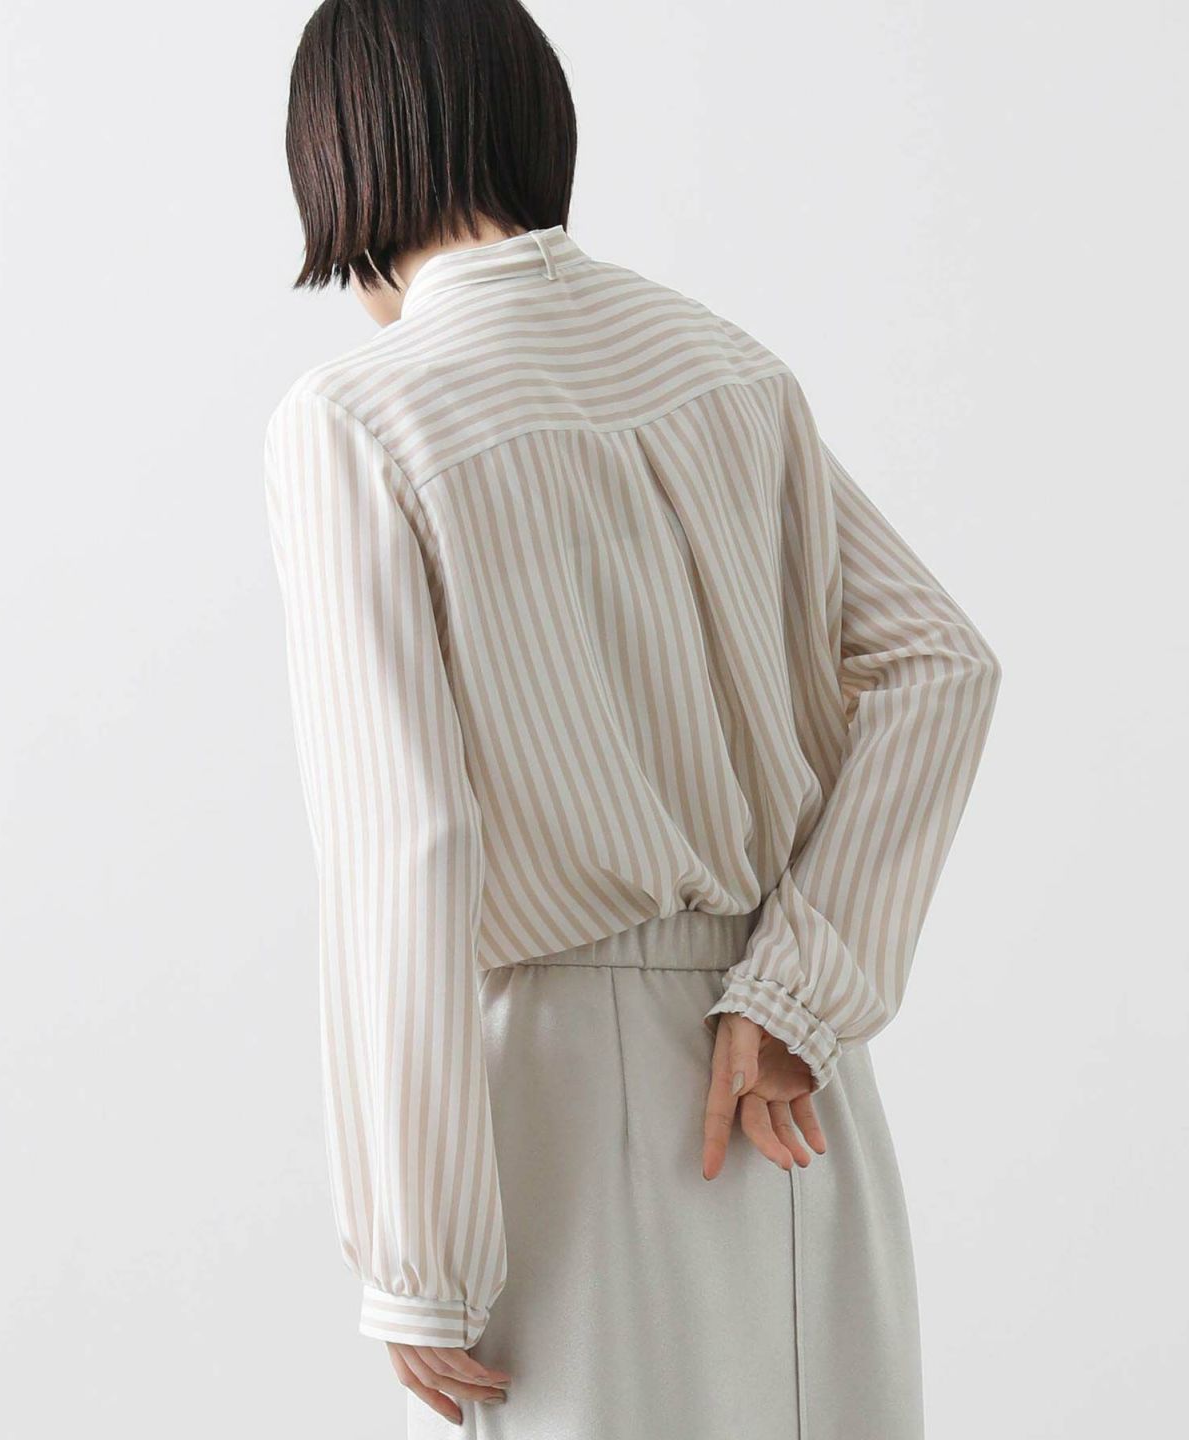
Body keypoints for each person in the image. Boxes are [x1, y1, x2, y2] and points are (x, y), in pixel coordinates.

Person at [263, 2, 1002, 1436]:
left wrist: (418, 1257)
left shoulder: (359, 420)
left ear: (343, 161)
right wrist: (799, 992)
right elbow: (941, 663)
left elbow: (405, 849)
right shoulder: (723, 366)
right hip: (791, 1092)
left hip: (562, 1114)